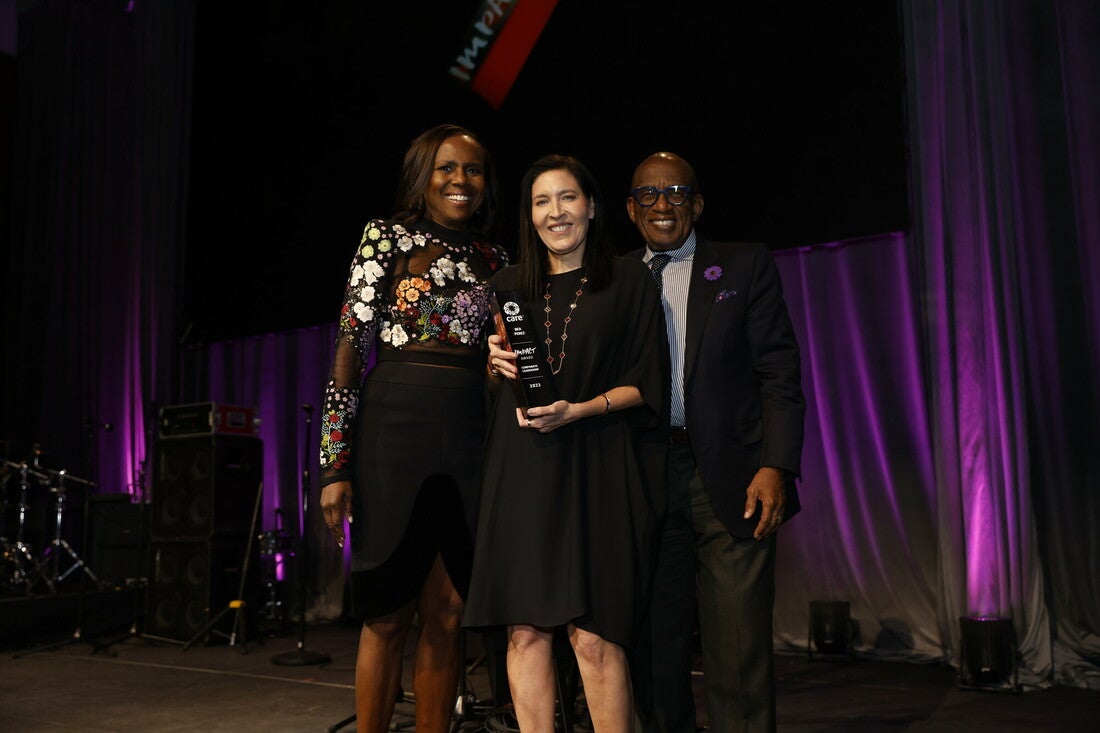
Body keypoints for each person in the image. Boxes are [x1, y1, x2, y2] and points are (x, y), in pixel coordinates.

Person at [463, 154, 669, 732]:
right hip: (523, 468)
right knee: (525, 630)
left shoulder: (629, 279)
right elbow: (495, 393)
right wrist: (492, 362)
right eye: (541, 202)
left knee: (595, 636)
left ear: (592, 206)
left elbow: (647, 382)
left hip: (597, 464)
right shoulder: (506, 286)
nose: (556, 212)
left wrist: (578, 410)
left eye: (567, 198)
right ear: (529, 217)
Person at [317, 123, 509, 732]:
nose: (461, 180)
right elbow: (350, 347)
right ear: (422, 174)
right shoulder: (385, 237)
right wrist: (333, 464)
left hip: (469, 438)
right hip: (392, 435)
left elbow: (504, 359)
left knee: (448, 616)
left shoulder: (497, 258)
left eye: (473, 170)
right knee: (387, 616)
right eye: (447, 167)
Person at [626, 152, 805, 733]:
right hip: (642, 479)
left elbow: (779, 372)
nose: (662, 204)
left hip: (731, 479)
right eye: (648, 195)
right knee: (655, 648)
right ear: (630, 210)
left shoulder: (743, 265)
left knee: (737, 648)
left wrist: (777, 464)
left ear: (697, 204)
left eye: (676, 192)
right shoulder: (612, 279)